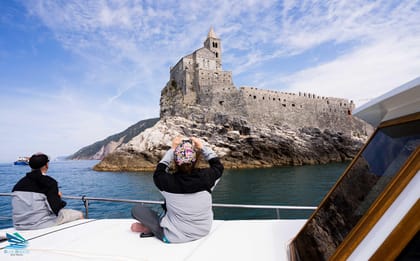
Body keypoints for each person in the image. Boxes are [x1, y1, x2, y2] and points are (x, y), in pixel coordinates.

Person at [131, 136, 224, 243]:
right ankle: (153, 227)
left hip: (172, 237)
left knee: (136, 210)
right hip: (203, 231)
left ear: (175, 161)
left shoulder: (165, 181)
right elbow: (217, 165)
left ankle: (150, 229)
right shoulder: (208, 178)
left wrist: (172, 148)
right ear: (195, 160)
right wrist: (202, 147)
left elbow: (160, 170)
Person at [11, 153, 83, 230]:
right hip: (41, 224)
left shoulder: (18, 184)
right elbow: (56, 209)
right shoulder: (49, 182)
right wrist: (58, 197)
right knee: (79, 214)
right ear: (46, 165)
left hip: (18, 225)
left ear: (30, 166)